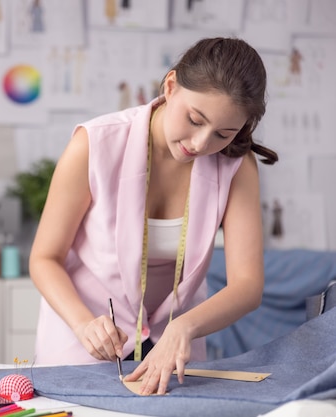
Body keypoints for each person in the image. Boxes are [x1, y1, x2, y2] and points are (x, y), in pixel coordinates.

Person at [29, 37, 278, 396]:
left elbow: (247, 286)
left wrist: (185, 327)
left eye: (224, 134)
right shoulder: (94, 144)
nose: (200, 143)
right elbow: (44, 258)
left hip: (174, 349)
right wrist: (83, 324)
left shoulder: (236, 167)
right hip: (86, 340)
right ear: (171, 86)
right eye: (195, 119)